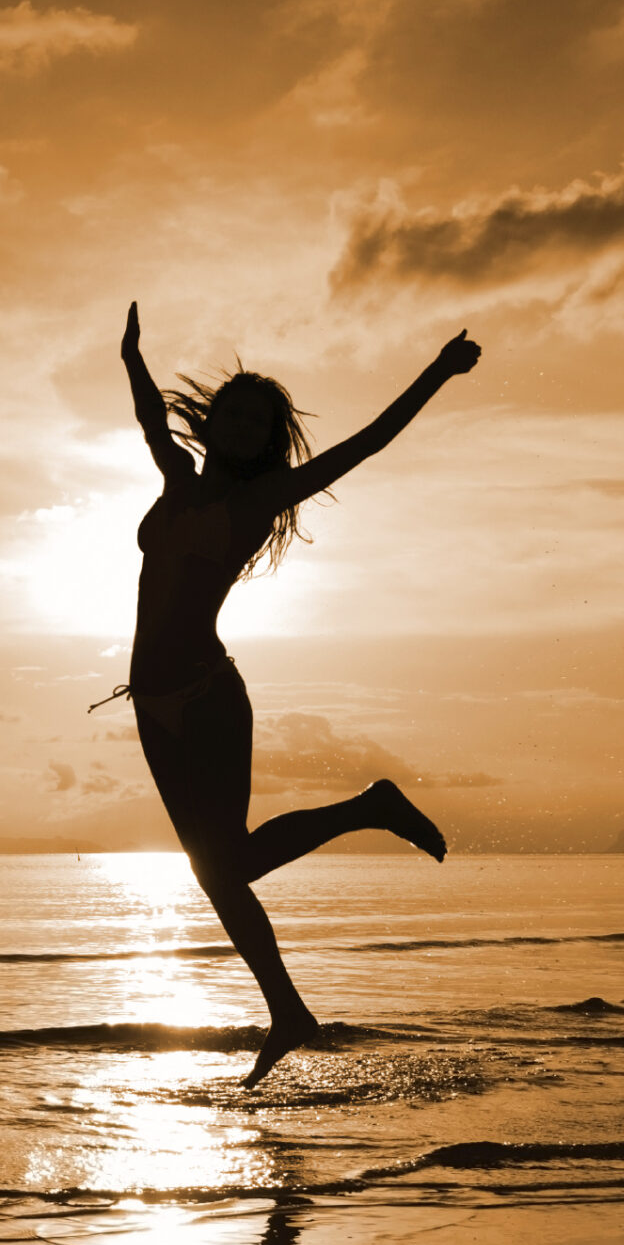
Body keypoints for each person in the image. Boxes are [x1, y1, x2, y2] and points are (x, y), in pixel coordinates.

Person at [112, 302, 480, 1085]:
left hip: (208, 696)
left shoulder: (259, 500)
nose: (242, 427)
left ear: (267, 440)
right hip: (151, 705)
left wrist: (438, 373)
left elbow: (371, 441)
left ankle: (370, 811)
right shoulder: (177, 477)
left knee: (225, 864)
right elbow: (150, 418)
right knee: (219, 869)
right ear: (213, 423)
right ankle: (287, 1011)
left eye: (258, 421)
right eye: (232, 414)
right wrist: (132, 359)